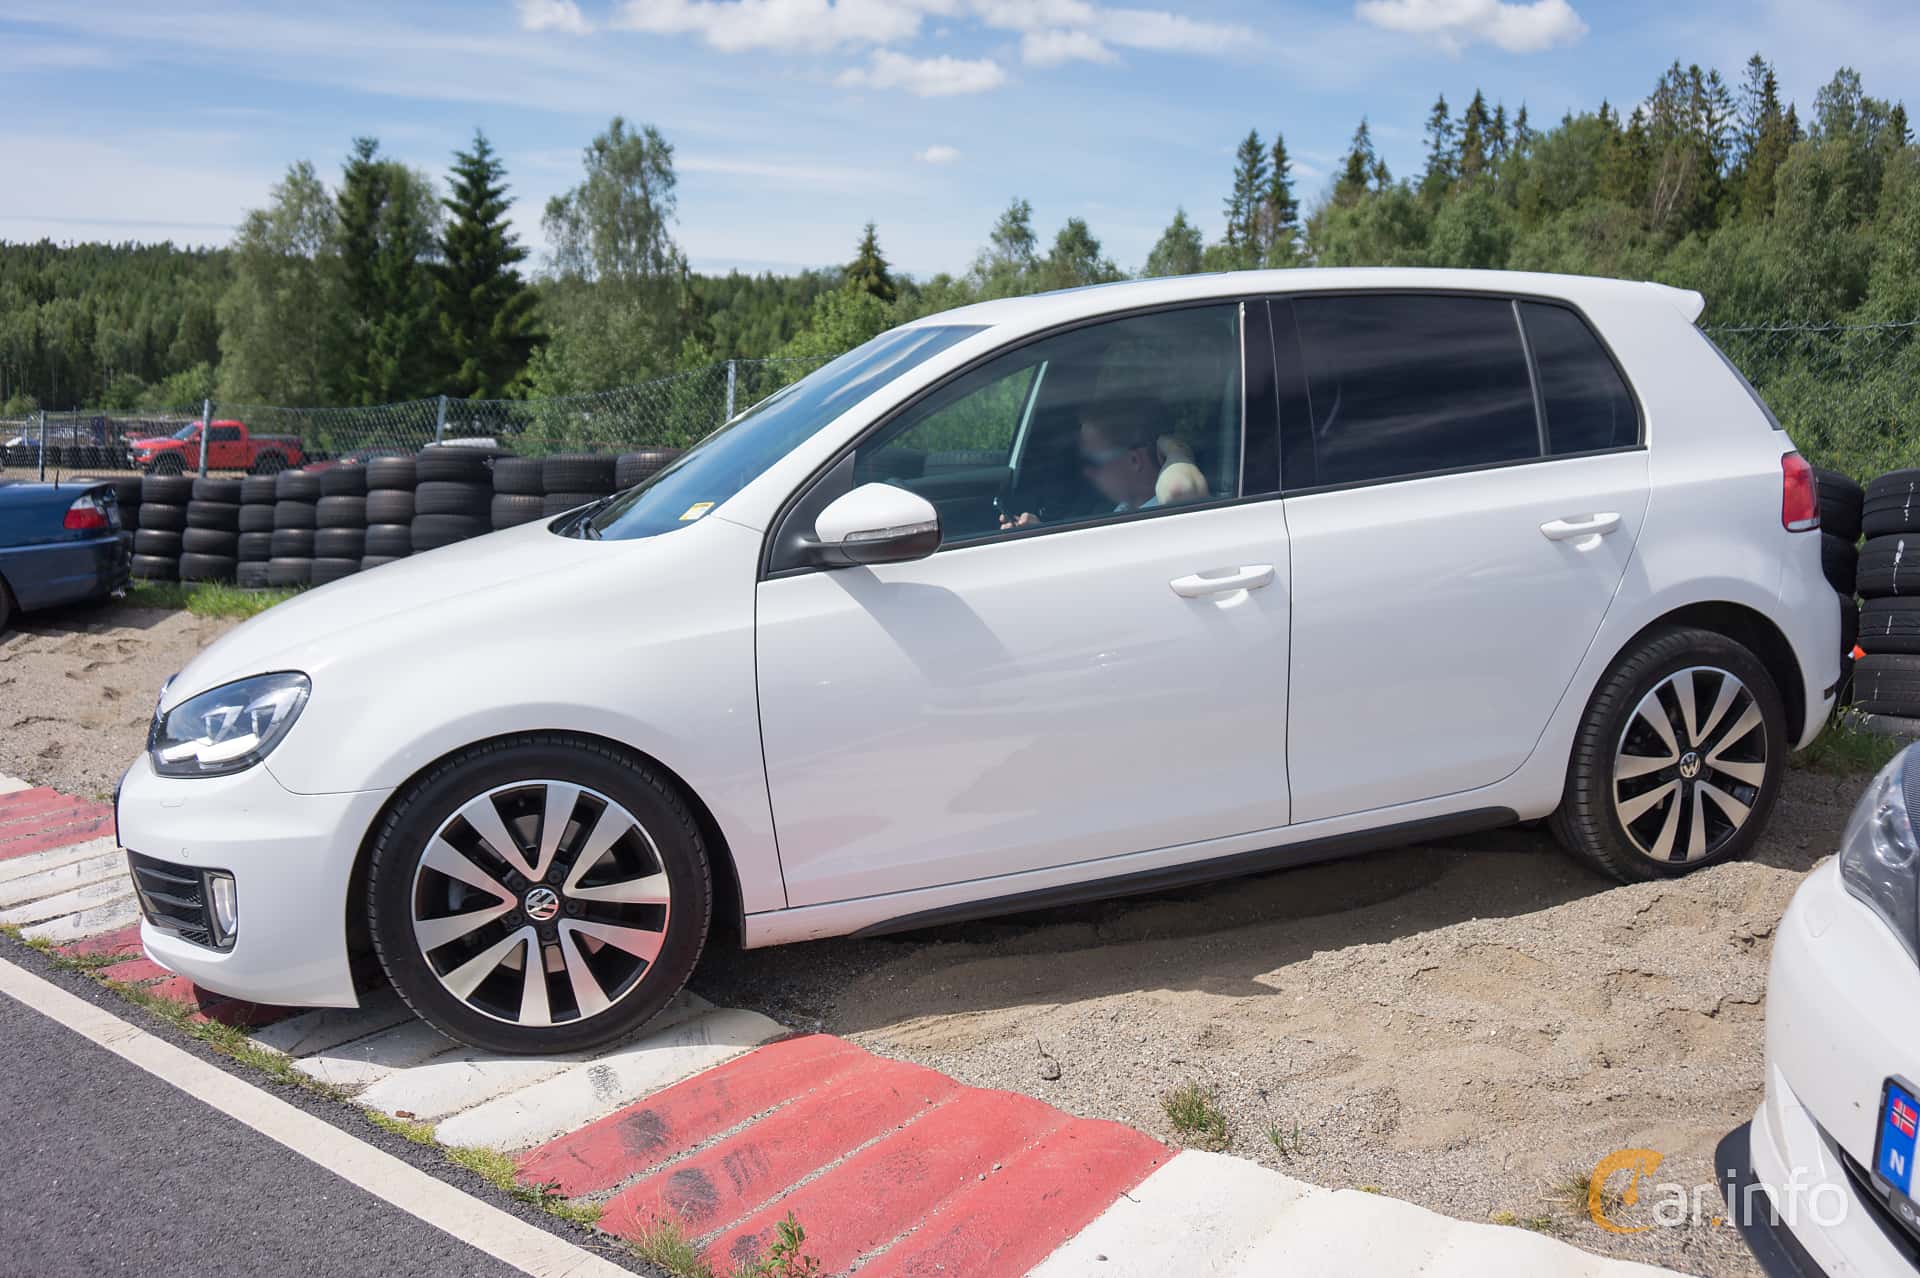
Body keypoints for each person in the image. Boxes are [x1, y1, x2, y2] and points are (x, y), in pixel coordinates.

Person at [999, 401, 1210, 529]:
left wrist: (1177, 451)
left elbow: (1179, 490)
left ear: (1134, 460)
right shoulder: (1125, 510)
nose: (1087, 473)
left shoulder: (1167, 518)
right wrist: (1040, 534)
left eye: (1093, 461)